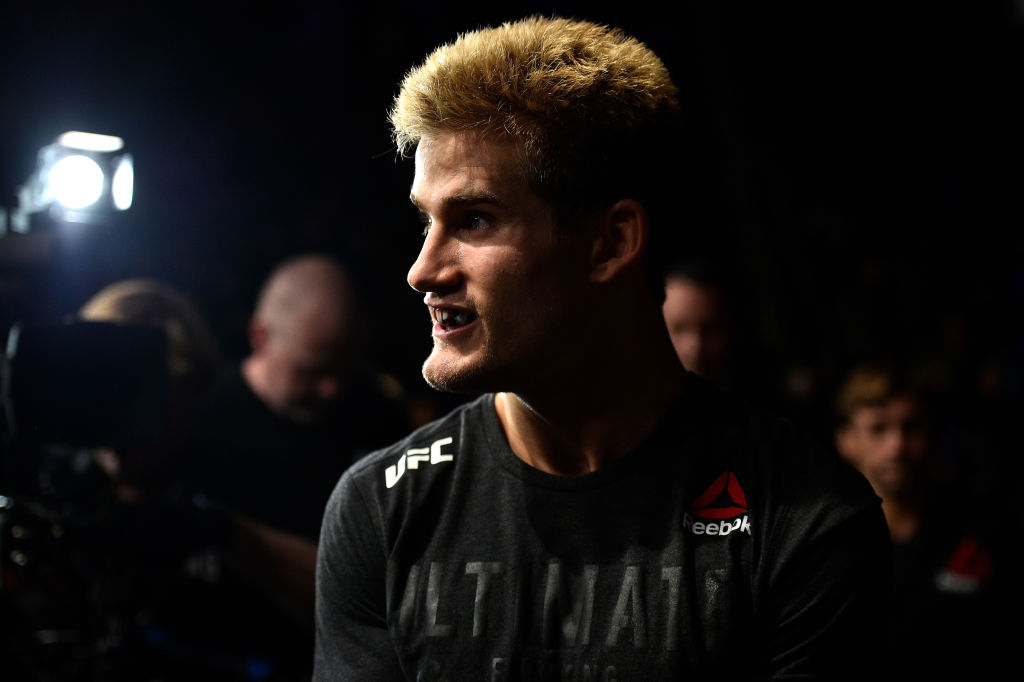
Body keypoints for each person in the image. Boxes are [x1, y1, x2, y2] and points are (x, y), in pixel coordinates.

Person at [314, 16, 892, 680]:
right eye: (427, 220)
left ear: (611, 243)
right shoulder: (381, 508)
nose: (422, 269)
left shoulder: (806, 518)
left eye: (474, 220)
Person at [179, 253, 411, 680]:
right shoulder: (201, 429)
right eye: (311, 370)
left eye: (344, 367)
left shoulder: (377, 417)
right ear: (259, 336)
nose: (332, 388)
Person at [834, 362, 1020, 681]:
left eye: (911, 426)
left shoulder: (984, 530)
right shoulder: (825, 544)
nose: (897, 445)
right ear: (846, 440)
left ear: (933, 433)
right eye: (878, 428)